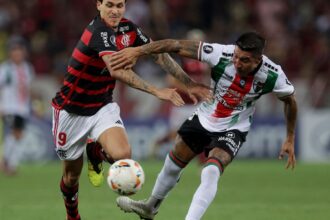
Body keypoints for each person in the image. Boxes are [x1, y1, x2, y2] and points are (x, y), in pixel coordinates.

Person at [110, 32, 298, 220]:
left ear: (258, 60)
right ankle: (150, 207)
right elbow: (175, 44)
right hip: (204, 117)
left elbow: (290, 101)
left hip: (234, 128)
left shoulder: (273, 74)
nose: (237, 63)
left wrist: (290, 137)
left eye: (244, 60)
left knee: (210, 171)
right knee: (173, 162)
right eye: (236, 56)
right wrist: (137, 51)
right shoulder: (220, 54)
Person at [51, 0, 211, 219]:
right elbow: (116, 70)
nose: (115, 10)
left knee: (123, 155)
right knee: (70, 178)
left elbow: (159, 55)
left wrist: (190, 83)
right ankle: (73, 215)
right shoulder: (97, 31)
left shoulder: (129, 28)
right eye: (109, 5)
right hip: (71, 110)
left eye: (119, 5)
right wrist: (157, 91)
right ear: (98, 5)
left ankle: (95, 151)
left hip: (101, 105)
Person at [0, 37, 34, 176]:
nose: (17, 54)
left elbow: (28, 88)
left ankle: (8, 162)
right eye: (14, 51)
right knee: (15, 133)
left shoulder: (28, 68)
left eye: (19, 51)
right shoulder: (5, 69)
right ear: (10, 54)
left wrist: (32, 104)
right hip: (9, 106)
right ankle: (8, 163)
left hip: (23, 107)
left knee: (18, 135)